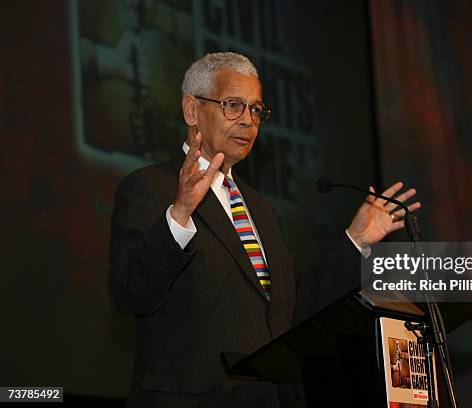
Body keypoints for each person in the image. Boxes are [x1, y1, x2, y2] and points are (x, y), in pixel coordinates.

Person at [109, 52, 420, 407]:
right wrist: (180, 212)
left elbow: (291, 311)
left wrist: (356, 241)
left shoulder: (260, 209)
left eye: (256, 110)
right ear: (192, 110)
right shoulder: (150, 188)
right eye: (233, 106)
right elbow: (129, 291)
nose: (248, 121)